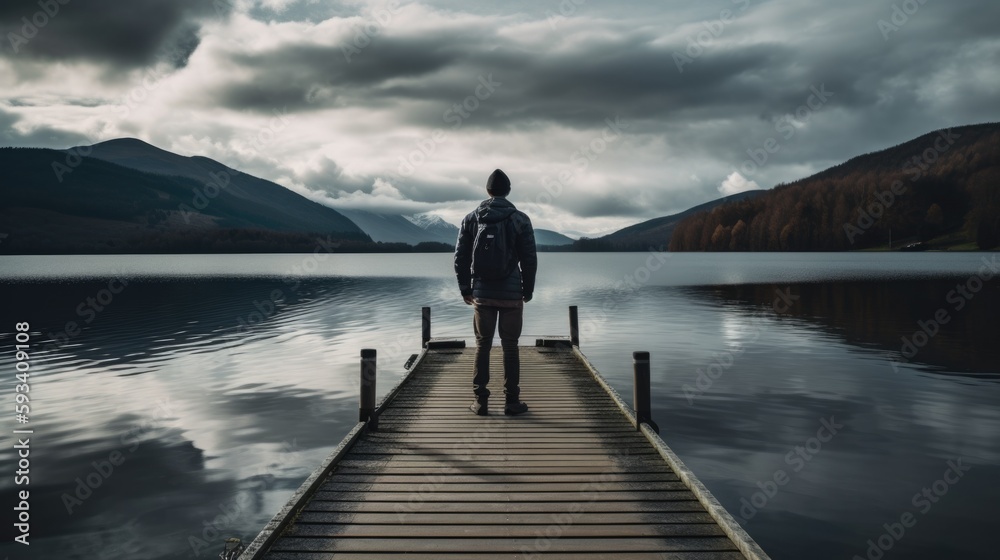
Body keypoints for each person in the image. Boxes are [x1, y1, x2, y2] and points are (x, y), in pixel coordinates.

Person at [454, 169, 537, 416]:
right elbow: (529, 259)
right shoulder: (520, 219)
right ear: (508, 191)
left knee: (483, 345)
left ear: (488, 191)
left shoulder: (471, 218)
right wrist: (528, 289)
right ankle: (512, 402)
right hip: (512, 295)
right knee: (510, 346)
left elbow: (460, 257)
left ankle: (481, 402)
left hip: (482, 293)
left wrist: (465, 288)